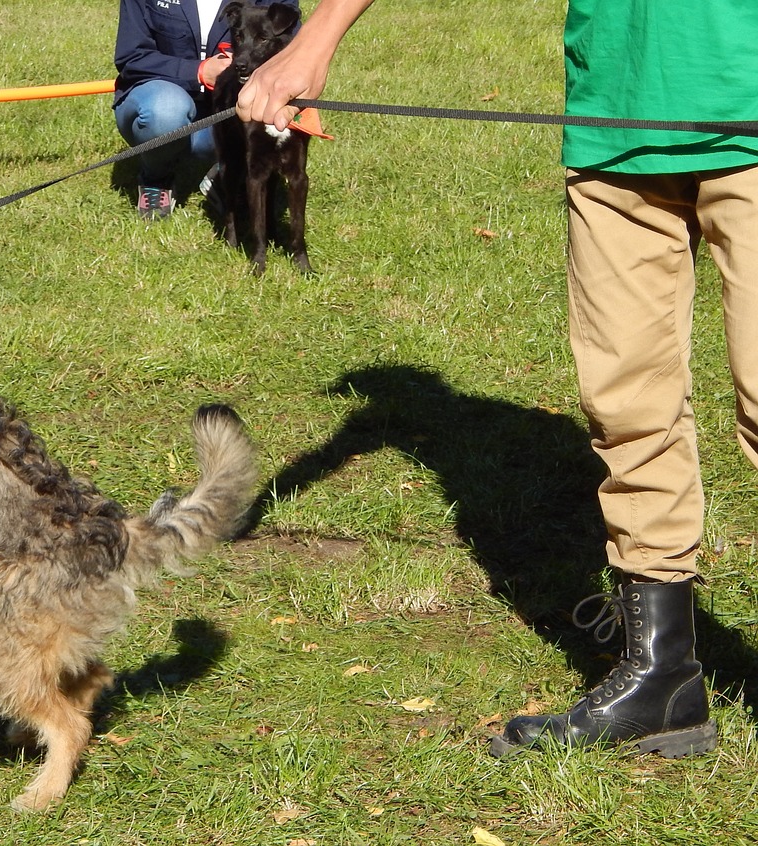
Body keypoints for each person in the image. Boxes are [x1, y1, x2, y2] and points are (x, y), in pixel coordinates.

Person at [239, 0, 758, 757]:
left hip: (745, 108)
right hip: (615, 116)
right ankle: (663, 678)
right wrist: (315, 40)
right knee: (626, 406)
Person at [113, 0, 300, 219]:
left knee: (256, 119)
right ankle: (156, 179)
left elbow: (293, 47)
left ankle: (227, 175)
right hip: (159, 93)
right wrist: (199, 71)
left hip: (228, 105)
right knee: (165, 110)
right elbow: (131, 56)